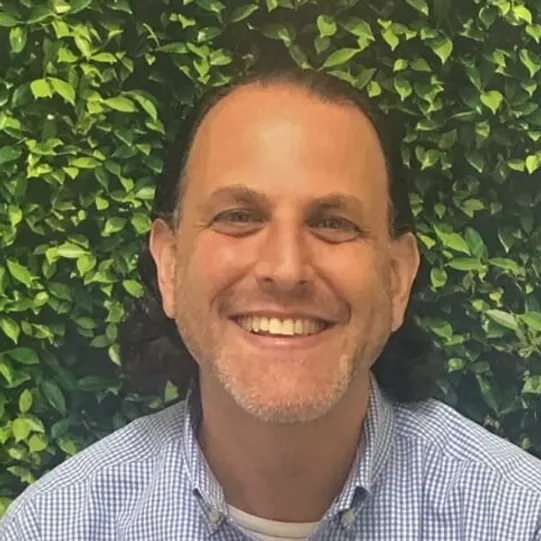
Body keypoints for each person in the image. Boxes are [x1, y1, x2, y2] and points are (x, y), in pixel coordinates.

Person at [1, 65, 540, 541]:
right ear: (169, 265)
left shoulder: (517, 519)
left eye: (333, 223)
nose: (286, 269)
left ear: (398, 279)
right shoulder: (57, 526)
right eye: (238, 216)